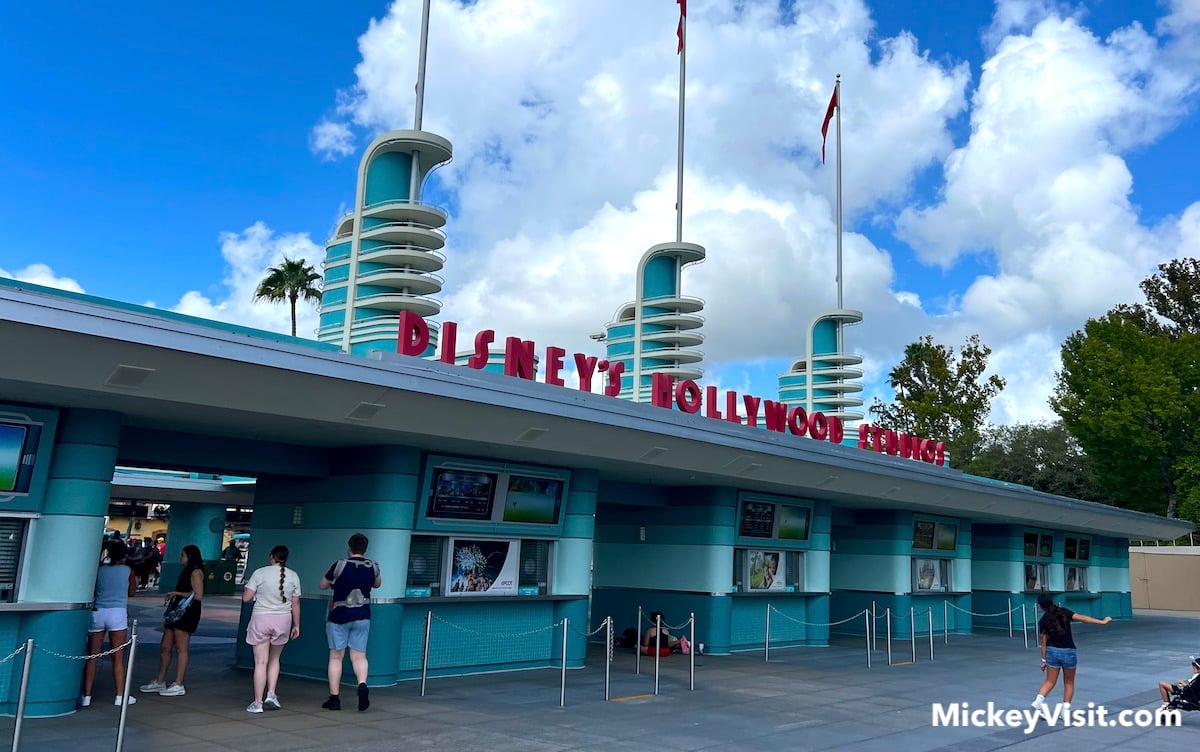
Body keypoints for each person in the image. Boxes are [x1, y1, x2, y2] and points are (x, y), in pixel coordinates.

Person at [319, 533, 381, 711]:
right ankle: (362, 684)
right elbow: (377, 584)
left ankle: (335, 698)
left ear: (349, 547)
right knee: (359, 656)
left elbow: (322, 584)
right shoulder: (373, 566)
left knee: (336, 656)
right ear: (365, 548)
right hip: (362, 615)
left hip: (339, 615)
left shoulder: (340, 565)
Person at [241, 545, 302, 713]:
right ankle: (272, 693)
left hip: (261, 618)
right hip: (283, 620)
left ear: (271, 556)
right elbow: (295, 603)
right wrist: (297, 625)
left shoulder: (259, 573)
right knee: (275, 660)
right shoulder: (293, 576)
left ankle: (257, 702)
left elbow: (246, 598)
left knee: (260, 662)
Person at [140, 544, 205, 697]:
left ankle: (178, 682)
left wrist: (178, 593)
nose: (180, 558)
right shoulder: (187, 570)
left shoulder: (195, 572)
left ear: (189, 557)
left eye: (182, 555)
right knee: (165, 646)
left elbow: (198, 594)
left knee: (181, 647)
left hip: (186, 612)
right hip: (176, 610)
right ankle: (160, 680)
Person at [1030, 592, 1112, 714]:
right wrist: (1102, 621)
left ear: (1041, 606)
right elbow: (1084, 619)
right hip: (1069, 651)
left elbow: (1043, 642)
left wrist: (1044, 660)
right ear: (1051, 601)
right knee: (1069, 682)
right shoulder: (1064, 612)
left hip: (1052, 652)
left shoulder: (1043, 621)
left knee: (1049, 681)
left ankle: (1038, 702)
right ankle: (1065, 712)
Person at [81, 539, 138, 707]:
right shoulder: (128, 571)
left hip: (98, 612)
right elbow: (132, 592)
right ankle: (120, 696)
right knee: (118, 656)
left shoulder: (99, 570)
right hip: (117, 612)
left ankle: (87, 695)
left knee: (92, 655)